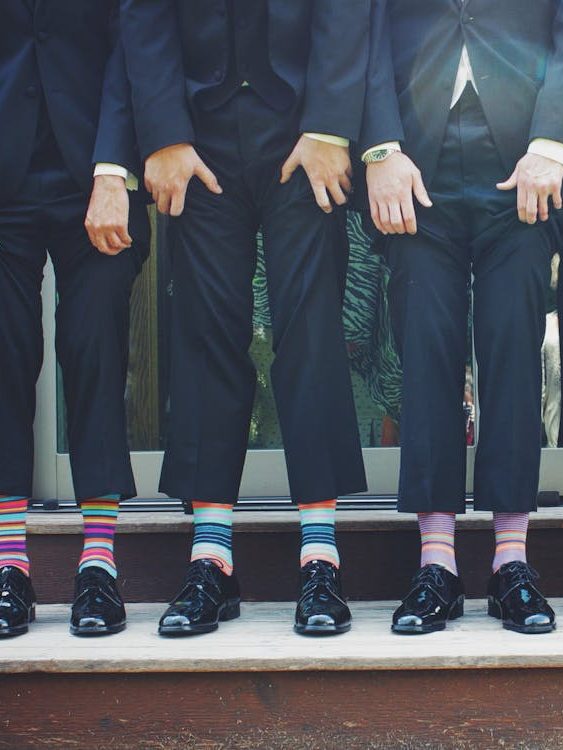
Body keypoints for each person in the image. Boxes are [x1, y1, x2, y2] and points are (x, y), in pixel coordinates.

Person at [120, 0, 369, 636]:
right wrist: (164, 135)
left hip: (303, 126)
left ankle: (320, 556)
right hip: (197, 135)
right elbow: (141, 15)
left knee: (311, 332)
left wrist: (331, 126)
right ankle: (212, 559)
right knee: (204, 334)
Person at [361, 0, 563, 634]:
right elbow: (366, 27)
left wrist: (553, 144)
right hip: (413, 161)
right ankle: (435, 563)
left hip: (526, 163)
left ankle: (510, 562)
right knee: (426, 348)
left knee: (512, 350)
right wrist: (379, 148)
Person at [0, 0, 149, 637]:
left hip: (97, 167)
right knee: (3, 362)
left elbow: (131, 42)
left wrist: (114, 166)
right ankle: (9, 565)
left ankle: (98, 562)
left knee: (95, 353)